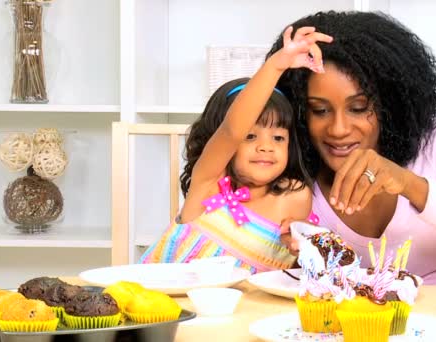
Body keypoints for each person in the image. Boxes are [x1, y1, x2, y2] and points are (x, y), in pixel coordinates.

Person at [269, 11, 436, 285]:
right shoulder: (293, 177)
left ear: (390, 105)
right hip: (362, 325)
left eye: (359, 108)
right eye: (320, 110)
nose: (338, 129)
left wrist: (409, 184)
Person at [139, 26, 332, 273]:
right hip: (168, 306)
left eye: (278, 137)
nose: (266, 147)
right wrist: (276, 66)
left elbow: (289, 269)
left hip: (247, 310)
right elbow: (232, 130)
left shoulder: (294, 196)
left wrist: (299, 244)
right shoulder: (207, 185)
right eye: (250, 136)